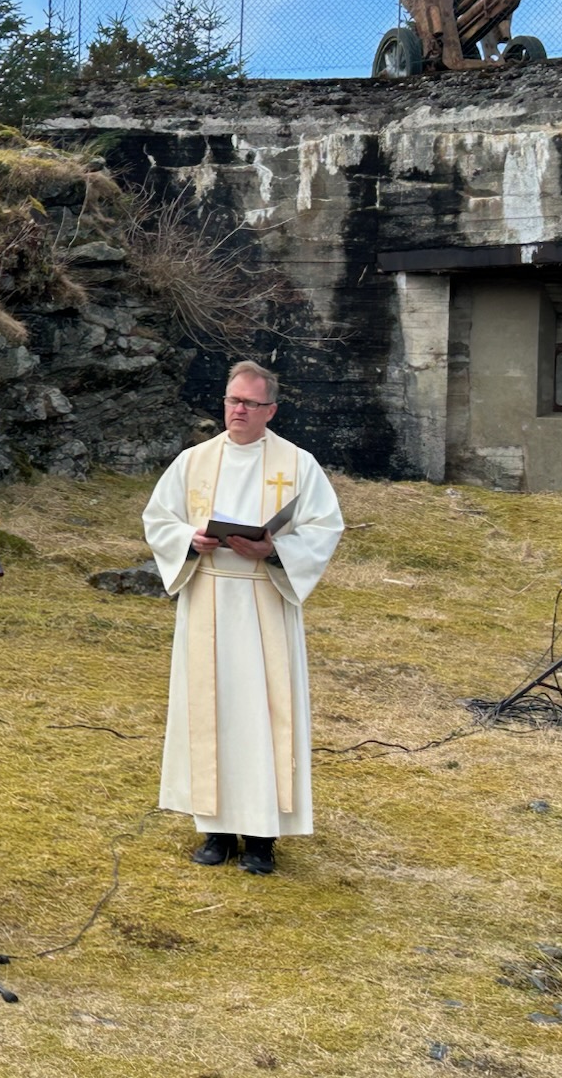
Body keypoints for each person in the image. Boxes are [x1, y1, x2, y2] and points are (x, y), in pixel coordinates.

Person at [142, 360, 344, 875]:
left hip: (265, 605)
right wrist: (191, 540)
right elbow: (158, 518)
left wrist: (274, 551)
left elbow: (325, 528)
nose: (238, 410)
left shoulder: (298, 464)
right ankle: (215, 831)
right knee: (211, 712)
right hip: (208, 595)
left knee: (263, 716)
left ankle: (261, 838)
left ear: (270, 410)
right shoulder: (194, 461)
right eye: (232, 400)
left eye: (250, 403)